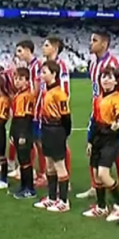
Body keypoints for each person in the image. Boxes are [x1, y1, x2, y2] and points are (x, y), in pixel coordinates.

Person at [78, 30, 119, 218]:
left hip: (110, 114)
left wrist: (113, 109)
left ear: (104, 44)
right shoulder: (94, 63)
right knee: (94, 148)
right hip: (97, 110)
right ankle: (96, 188)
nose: (90, 43)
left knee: (116, 155)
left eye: (94, 40)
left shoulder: (113, 64)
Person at [83, 67, 119, 219]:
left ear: (116, 81)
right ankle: (101, 206)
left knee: (103, 174)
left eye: (110, 77)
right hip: (98, 138)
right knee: (96, 176)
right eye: (103, 77)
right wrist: (90, 142)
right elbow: (95, 122)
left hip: (111, 139)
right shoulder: (98, 99)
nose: (106, 80)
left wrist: (118, 123)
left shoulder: (117, 98)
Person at [34, 61, 73, 213]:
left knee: (59, 166)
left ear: (54, 74)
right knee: (49, 165)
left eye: (45, 72)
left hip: (56, 130)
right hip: (46, 129)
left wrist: (63, 133)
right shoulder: (47, 92)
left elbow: (66, 117)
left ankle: (64, 201)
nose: (41, 75)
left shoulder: (59, 93)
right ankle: (51, 198)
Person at [42, 36, 73, 187]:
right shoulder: (45, 65)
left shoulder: (61, 66)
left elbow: (64, 91)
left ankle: (66, 181)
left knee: (61, 148)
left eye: (46, 45)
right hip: (46, 114)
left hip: (57, 116)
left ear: (54, 48)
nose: (43, 47)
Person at [9, 68, 38, 200]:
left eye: (21, 79)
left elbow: (26, 117)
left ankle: (29, 189)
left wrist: (22, 134)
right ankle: (23, 186)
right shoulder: (18, 95)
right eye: (16, 78)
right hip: (18, 128)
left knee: (26, 161)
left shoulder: (27, 96)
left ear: (27, 81)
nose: (17, 81)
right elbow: (15, 117)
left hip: (24, 131)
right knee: (21, 161)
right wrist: (12, 132)